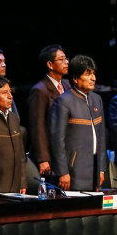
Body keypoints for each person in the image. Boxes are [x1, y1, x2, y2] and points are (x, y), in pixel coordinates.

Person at [50, 55, 106, 191]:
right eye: (88, 74)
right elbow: (57, 141)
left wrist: (102, 168)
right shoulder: (64, 101)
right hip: (73, 170)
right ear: (75, 78)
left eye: (93, 73)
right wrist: (63, 172)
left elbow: (102, 138)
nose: (93, 78)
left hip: (95, 168)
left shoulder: (97, 99)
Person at [27, 45, 71, 177]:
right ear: (50, 64)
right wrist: (43, 158)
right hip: (49, 154)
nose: (67, 62)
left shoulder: (67, 85)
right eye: (61, 59)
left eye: (66, 58)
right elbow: (37, 126)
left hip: (66, 151)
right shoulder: (40, 90)